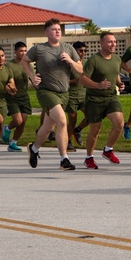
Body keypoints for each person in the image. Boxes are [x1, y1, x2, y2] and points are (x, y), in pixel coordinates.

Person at [23, 18, 84, 171]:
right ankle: (64, 159)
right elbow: (24, 61)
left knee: (48, 126)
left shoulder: (68, 48)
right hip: (46, 91)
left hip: (64, 93)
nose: (57, 31)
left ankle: (34, 149)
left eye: (59, 29)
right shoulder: (39, 49)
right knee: (62, 122)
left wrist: (70, 60)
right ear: (46, 32)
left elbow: (80, 70)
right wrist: (31, 76)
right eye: (54, 29)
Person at [79, 32, 126, 169]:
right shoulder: (94, 60)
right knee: (95, 131)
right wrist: (98, 85)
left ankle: (108, 150)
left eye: (114, 41)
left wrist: (119, 83)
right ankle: (89, 158)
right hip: (94, 100)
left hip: (111, 97)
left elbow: (115, 74)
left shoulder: (117, 59)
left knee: (119, 124)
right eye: (110, 42)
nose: (113, 44)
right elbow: (82, 79)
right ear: (102, 43)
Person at [4, 42, 33, 152]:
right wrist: (8, 87)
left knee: (23, 121)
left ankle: (13, 143)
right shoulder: (9, 66)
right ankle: (7, 128)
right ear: (15, 51)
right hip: (12, 97)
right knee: (18, 120)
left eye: (25, 51)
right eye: (21, 51)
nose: (23, 53)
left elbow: (32, 79)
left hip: (24, 97)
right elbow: (4, 81)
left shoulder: (27, 64)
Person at [65, 41, 89, 152]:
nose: (83, 53)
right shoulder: (69, 64)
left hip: (83, 95)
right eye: (80, 51)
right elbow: (62, 80)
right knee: (72, 119)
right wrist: (75, 81)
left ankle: (78, 130)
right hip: (71, 96)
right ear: (74, 51)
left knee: (91, 116)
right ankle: (68, 142)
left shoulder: (86, 63)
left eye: (84, 50)